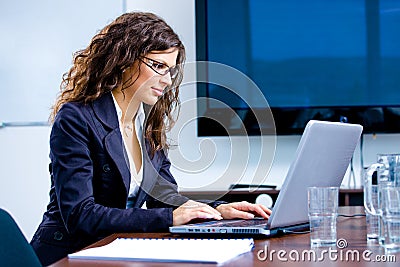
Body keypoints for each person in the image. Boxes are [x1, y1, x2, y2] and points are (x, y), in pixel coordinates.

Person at [30, 12, 271, 266]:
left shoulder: (146, 121)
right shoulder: (77, 118)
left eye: (171, 70)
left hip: (113, 251)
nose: (167, 81)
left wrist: (217, 211)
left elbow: (164, 197)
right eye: (158, 66)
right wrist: (169, 218)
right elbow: (81, 214)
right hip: (67, 255)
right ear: (124, 59)